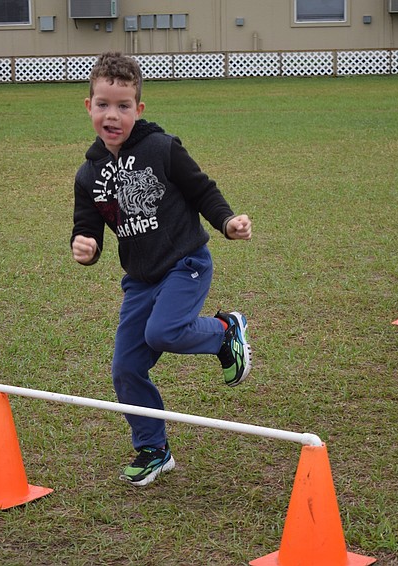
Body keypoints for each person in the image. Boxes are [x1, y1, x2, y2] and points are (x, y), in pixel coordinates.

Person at [70, 52, 253, 487]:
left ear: (139, 109)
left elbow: (202, 190)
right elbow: (87, 223)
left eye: (123, 106)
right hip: (140, 280)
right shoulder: (88, 174)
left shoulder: (162, 148)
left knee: (164, 332)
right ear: (88, 106)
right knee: (126, 368)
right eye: (103, 105)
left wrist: (227, 222)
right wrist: (86, 245)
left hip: (185, 263)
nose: (112, 115)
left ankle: (225, 332)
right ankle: (154, 448)